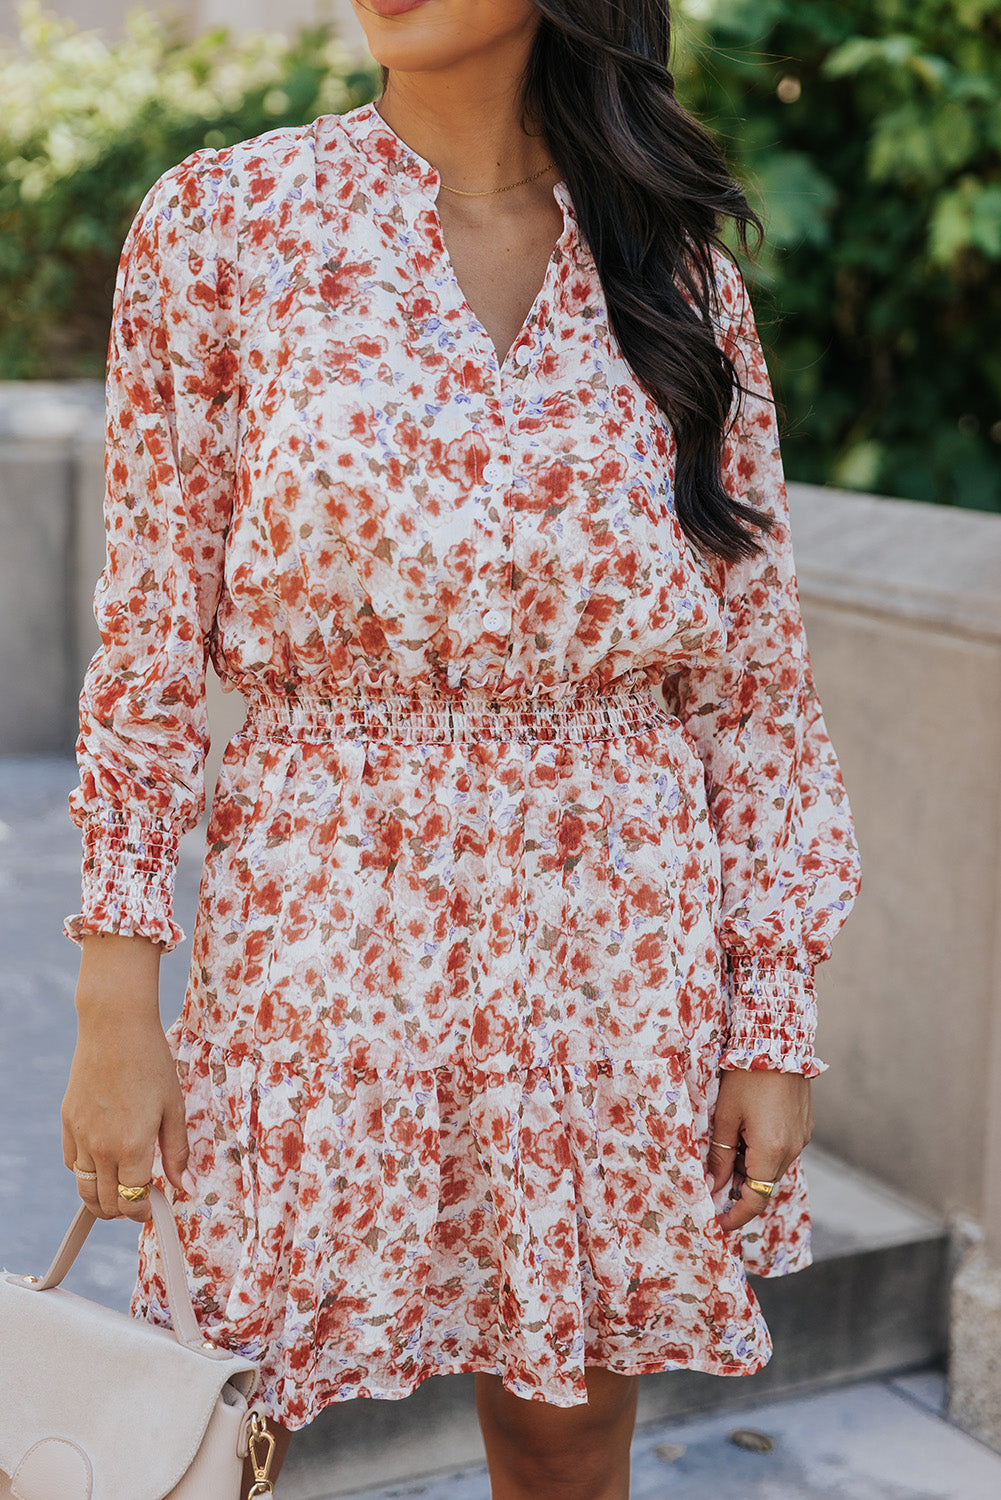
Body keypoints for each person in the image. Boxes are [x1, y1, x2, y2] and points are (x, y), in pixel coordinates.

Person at [59, 1, 862, 1496]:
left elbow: (752, 692)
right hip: (320, 907)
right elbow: (150, 631)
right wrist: (118, 993)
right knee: (224, 1394)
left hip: (614, 929)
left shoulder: (678, 275)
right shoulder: (228, 222)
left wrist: (770, 1024)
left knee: (565, 1427)